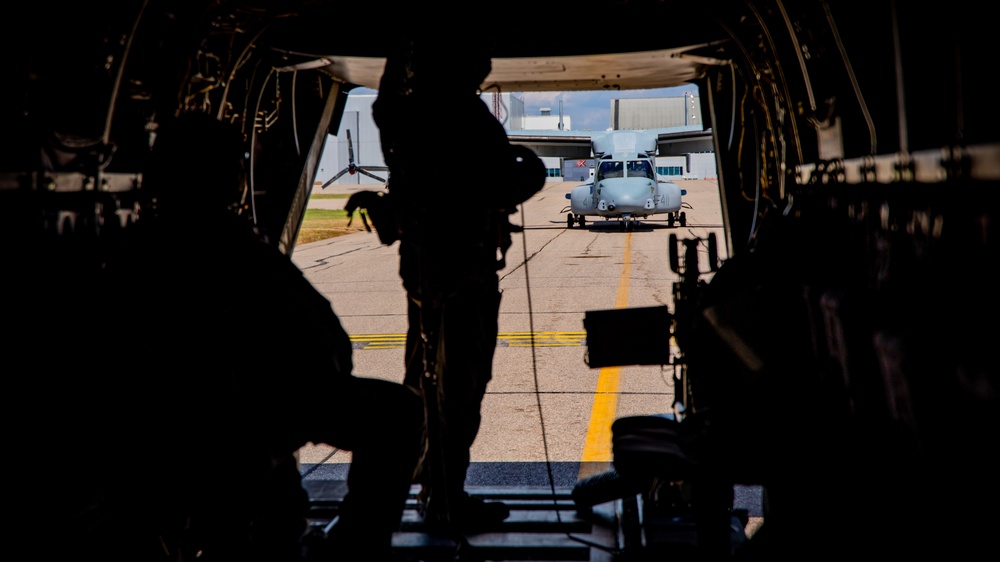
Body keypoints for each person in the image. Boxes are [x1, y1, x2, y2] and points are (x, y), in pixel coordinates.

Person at [109, 111, 423, 561]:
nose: (238, 175)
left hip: (265, 396)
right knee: (400, 414)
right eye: (230, 165)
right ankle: (353, 550)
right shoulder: (199, 244)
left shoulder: (188, 238)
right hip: (251, 401)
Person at [354, 31, 546, 533]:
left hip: (422, 274)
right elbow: (505, 183)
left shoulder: (402, 116)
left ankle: (423, 488)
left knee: (421, 382)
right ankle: (445, 498)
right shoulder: (469, 119)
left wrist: (402, 48)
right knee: (459, 388)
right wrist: (532, 170)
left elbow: (383, 99)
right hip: (464, 276)